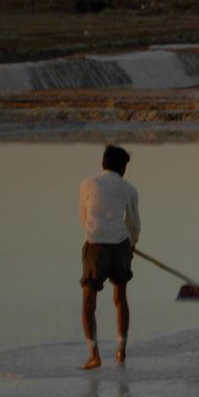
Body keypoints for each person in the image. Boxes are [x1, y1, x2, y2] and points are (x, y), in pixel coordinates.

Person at [79, 145, 140, 369]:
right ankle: (121, 350)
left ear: (103, 163)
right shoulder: (129, 189)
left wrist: (99, 234)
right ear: (122, 167)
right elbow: (134, 223)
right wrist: (131, 245)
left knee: (88, 300)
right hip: (120, 244)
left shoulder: (87, 184)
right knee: (120, 297)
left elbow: (84, 218)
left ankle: (94, 355)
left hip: (95, 244)